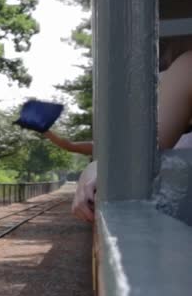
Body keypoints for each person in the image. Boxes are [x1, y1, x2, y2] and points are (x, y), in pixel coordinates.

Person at [71, 50, 192, 222]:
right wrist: (95, 168)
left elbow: (136, 151)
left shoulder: (185, 68)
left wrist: (97, 167)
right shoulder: (186, 67)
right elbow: (135, 152)